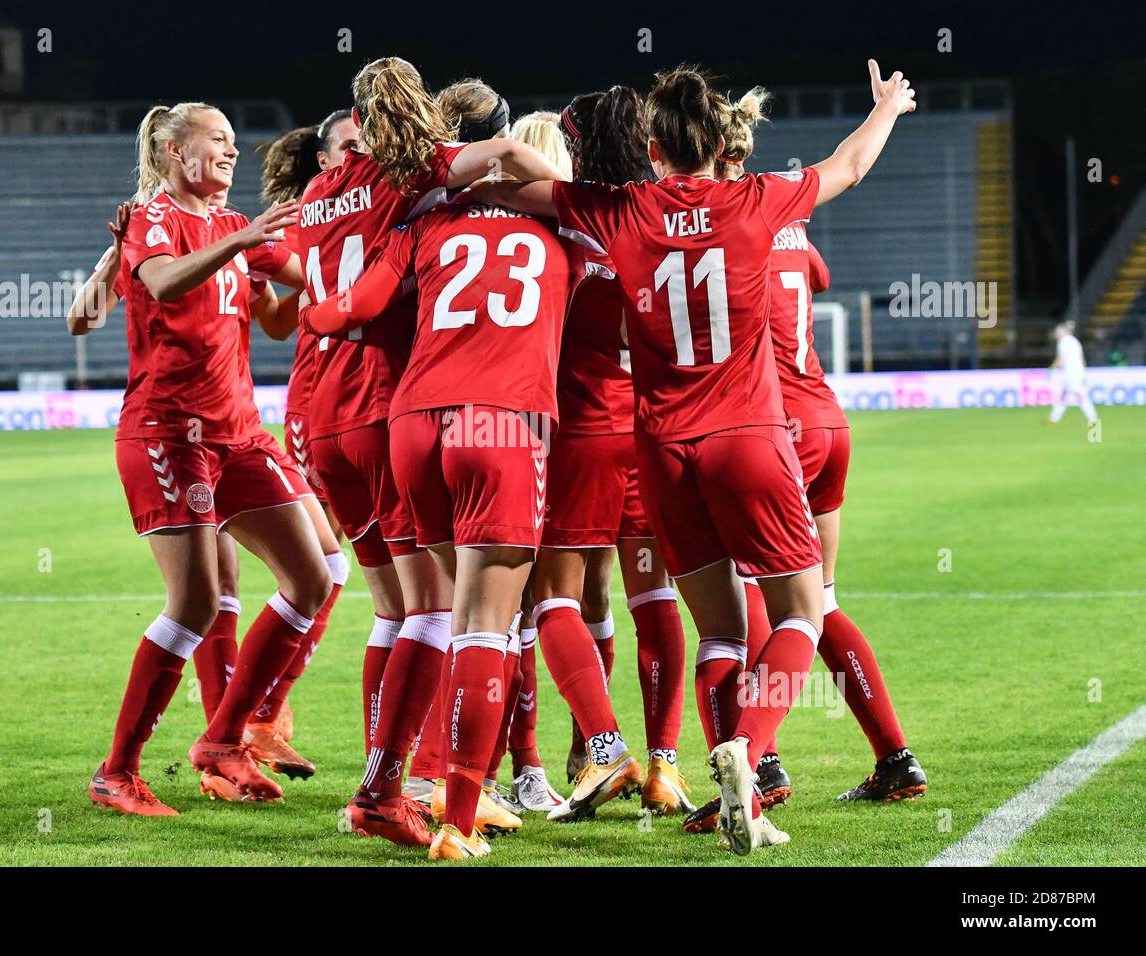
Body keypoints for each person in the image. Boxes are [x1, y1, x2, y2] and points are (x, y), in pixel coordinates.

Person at [472, 59, 917, 854]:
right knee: (801, 613)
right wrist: (885, 109)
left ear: (652, 145)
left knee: (717, 632)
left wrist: (452, 158)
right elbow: (847, 167)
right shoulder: (758, 199)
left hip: (663, 450)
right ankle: (748, 745)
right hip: (747, 436)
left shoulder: (622, 209)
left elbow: (521, 186)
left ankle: (729, 789)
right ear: (720, 141)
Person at [289, 56, 570, 848]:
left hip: (393, 417)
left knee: (412, 610)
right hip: (492, 419)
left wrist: (317, 316)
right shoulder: (547, 217)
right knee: (473, 616)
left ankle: (397, 779)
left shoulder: (393, 213)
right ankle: (445, 795)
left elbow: (352, 306)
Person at [684, 89, 925, 835]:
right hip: (825, 419)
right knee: (815, 597)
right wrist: (885, 110)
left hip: (761, 426)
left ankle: (757, 762)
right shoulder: (781, 215)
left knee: (739, 604)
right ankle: (894, 758)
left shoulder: (706, 228)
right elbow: (814, 274)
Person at [87, 101, 334, 815]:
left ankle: (225, 738)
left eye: (232, 140)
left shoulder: (232, 226)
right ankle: (118, 770)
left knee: (313, 576)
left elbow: (307, 276)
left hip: (239, 436)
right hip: (168, 433)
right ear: (173, 149)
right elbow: (164, 282)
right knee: (194, 601)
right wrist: (242, 241)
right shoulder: (153, 219)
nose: (231, 150)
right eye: (217, 139)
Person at [524, 91, 695, 819]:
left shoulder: (574, 217)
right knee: (653, 596)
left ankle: (604, 751)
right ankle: (664, 764)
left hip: (585, 434)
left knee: (550, 597)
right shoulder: (669, 217)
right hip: (655, 436)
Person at [1048, 320, 1099, 424]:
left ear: (1062, 332)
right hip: (1077, 372)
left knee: (1080, 395)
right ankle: (1053, 418)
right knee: (1064, 395)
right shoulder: (1075, 341)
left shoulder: (1063, 342)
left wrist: (1051, 368)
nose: (1056, 335)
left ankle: (1093, 417)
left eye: (1057, 332)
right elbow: (1082, 359)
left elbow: (1060, 359)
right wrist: (1083, 372)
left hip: (1071, 373)